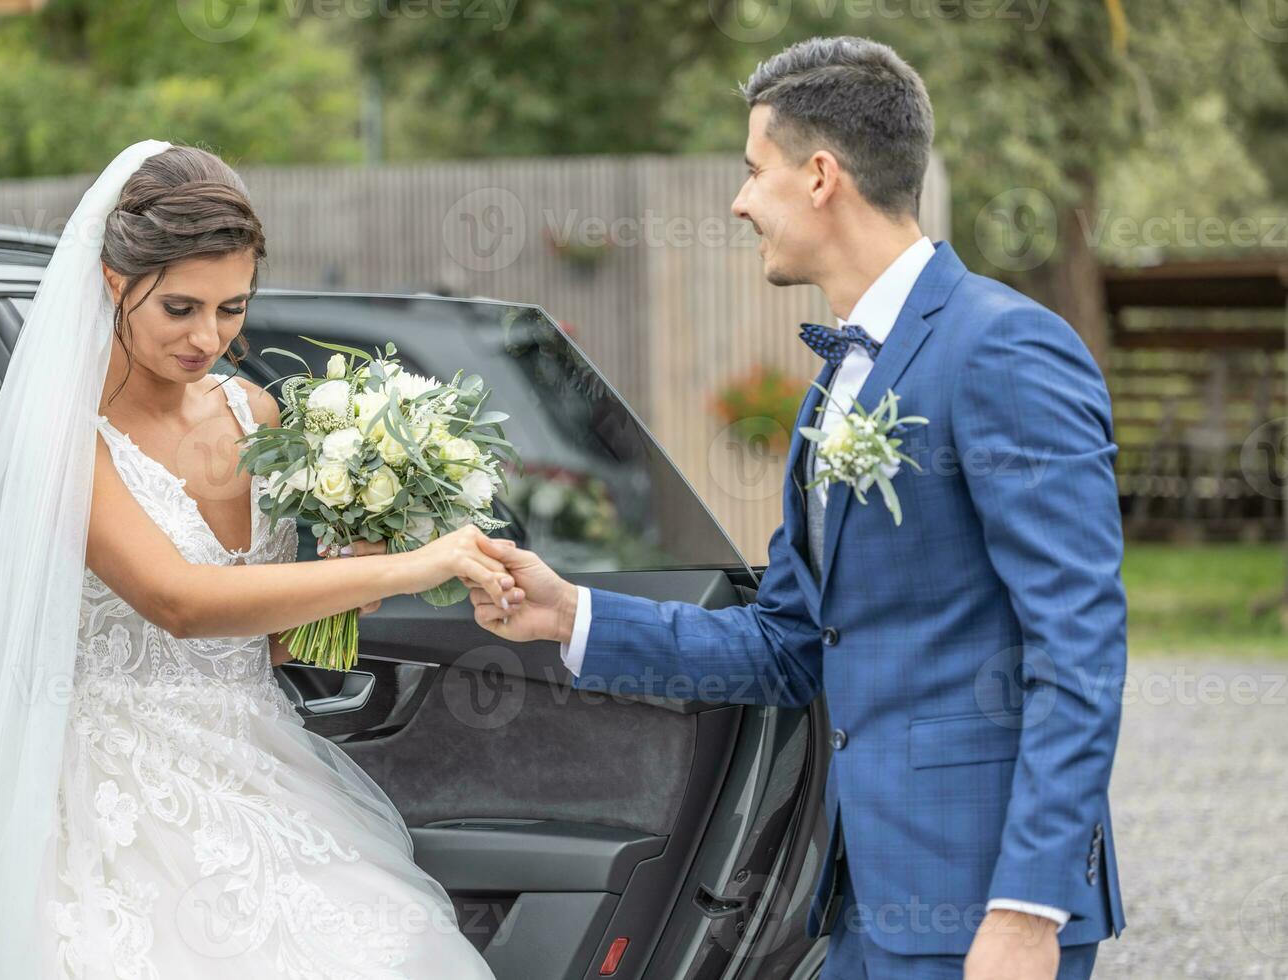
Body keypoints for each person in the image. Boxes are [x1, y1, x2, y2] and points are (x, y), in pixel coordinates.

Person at [471, 36, 1127, 980]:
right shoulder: (836, 387)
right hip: (860, 900)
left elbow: (1080, 644)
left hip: (983, 910)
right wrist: (569, 613)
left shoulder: (1007, 348)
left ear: (820, 176)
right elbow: (789, 643)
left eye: (752, 171)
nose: (739, 202)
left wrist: (1029, 905)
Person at [0, 140, 507, 978]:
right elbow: (182, 604)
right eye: (182, 308)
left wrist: (346, 584)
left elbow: (266, 644)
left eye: (233, 309)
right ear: (116, 283)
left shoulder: (254, 410)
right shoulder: (64, 442)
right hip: (115, 801)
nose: (210, 337)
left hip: (261, 770)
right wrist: (408, 569)